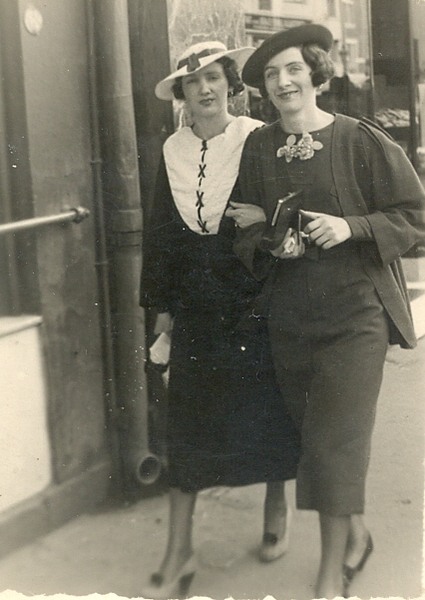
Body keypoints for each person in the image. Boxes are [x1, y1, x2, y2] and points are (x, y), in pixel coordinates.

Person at [229, 23, 425, 599]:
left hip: (355, 316)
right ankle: (356, 535)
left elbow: (415, 216)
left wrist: (351, 227)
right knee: (316, 443)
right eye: (272, 74)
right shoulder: (259, 147)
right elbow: (243, 228)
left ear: (317, 74)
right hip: (289, 318)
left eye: (293, 68)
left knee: (336, 445)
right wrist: (270, 241)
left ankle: (329, 579)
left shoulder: (359, 139)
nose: (283, 81)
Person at [139, 40, 300, 599]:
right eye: (192, 82)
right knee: (186, 424)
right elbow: (162, 234)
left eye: (213, 78)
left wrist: (264, 219)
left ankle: (277, 504)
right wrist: (161, 313)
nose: (204, 89)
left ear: (231, 84)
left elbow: (289, 210)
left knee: (269, 408)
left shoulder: (257, 137)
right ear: (182, 94)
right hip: (196, 304)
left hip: (254, 298)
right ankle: (178, 550)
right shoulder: (172, 149)